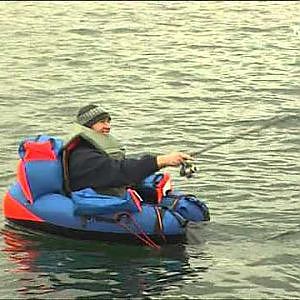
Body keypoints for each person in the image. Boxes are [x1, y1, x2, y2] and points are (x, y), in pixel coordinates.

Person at [63, 104, 193, 197]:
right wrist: (162, 161)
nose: (108, 126)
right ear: (87, 125)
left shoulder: (89, 148)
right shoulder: (83, 155)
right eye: (102, 122)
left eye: (109, 121)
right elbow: (119, 170)